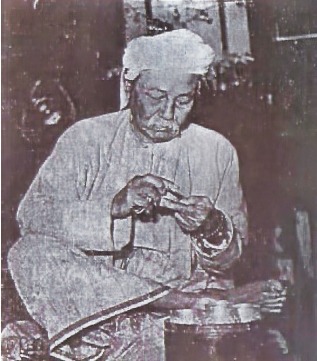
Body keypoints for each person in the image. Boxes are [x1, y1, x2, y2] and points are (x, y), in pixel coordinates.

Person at [8, 30, 285, 360]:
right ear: (130, 87)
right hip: (95, 304)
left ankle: (112, 337)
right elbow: (32, 216)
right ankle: (178, 306)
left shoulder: (216, 151)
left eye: (184, 100)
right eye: (156, 96)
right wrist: (113, 207)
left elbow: (230, 260)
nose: (169, 112)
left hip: (177, 308)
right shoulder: (85, 139)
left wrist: (211, 228)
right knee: (26, 253)